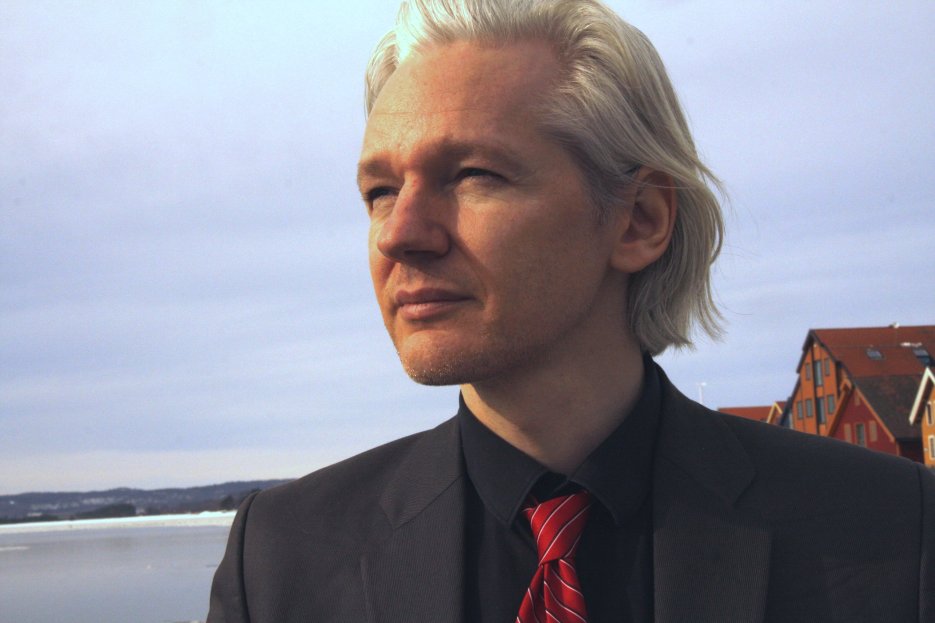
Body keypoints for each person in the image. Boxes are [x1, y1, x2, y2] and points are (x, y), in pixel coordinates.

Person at [208, 1, 934, 621]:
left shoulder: (896, 534)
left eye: (473, 174)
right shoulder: (280, 560)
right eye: (380, 192)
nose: (400, 233)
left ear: (639, 219)